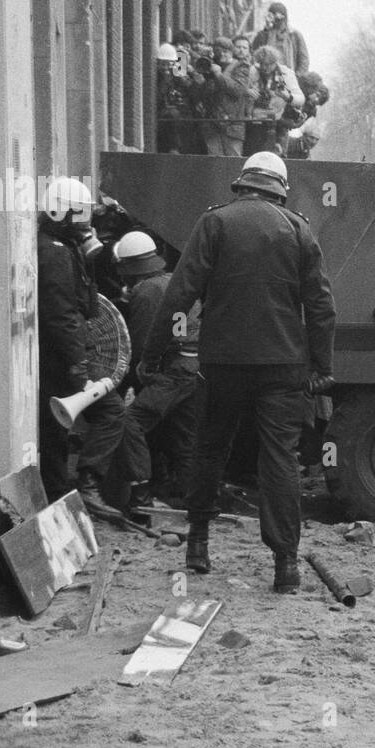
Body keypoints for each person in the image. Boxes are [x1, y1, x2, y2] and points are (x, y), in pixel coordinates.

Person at [141, 152, 336, 590]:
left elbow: (180, 293)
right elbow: (322, 306)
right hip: (284, 365)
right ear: (280, 188)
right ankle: (285, 565)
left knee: (210, 449)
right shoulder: (298, 229)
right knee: (279, 459)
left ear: (243, 182)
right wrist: (321, 367)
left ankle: (198, 545)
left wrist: (152, 354)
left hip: (222, 363)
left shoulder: (214, 223)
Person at [37, 177, 148, 513]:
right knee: (110, 412)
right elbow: (63, 315)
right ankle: (87, 484)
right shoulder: (55, 254)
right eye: (79, 216)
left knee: (57, 430)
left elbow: (83, 305)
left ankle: (62, 493)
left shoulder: (61, 248)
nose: (85, 224)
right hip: (63, 356)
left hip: (62, 354)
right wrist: (78, 364)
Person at [114, 232, 200, 508]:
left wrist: (124, 383)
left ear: (126, 268)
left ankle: (141, 495)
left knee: (131, 422)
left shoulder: (146, 292)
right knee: (183, 435)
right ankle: (190, 499)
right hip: (196, 367)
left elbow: (139, 347)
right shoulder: (173, 281)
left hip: (176, 370)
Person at [202, 36, 258, 157]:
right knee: (214, 165)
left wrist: (218, 74)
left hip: (233, 126)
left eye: (226, 51)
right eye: (219, 51)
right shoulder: (209, 66)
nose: (223, 55)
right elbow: (204, 94)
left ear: (231, 52)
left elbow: (237, 89)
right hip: (213, 126)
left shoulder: (241, 67)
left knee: (233, 165)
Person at [245, 45, 305, 155]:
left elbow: (301, 99)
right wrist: (247, 91)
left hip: (279, 122)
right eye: (262, 64)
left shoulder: (286, 74)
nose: (265, 68)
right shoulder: (253, 71)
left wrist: (288, 96)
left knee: (278, 155)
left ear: (275, 62)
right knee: (254, 154)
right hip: (256, 121)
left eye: (269, 64)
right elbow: (241, 90)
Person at [251, 1, 309, 74]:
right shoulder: (265, 34)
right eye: (271, 15)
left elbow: (304, 60)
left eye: (276, 15)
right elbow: (255, 53)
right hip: (267, 75)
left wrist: (297, 76)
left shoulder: (294, 35)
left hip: (289, 76)